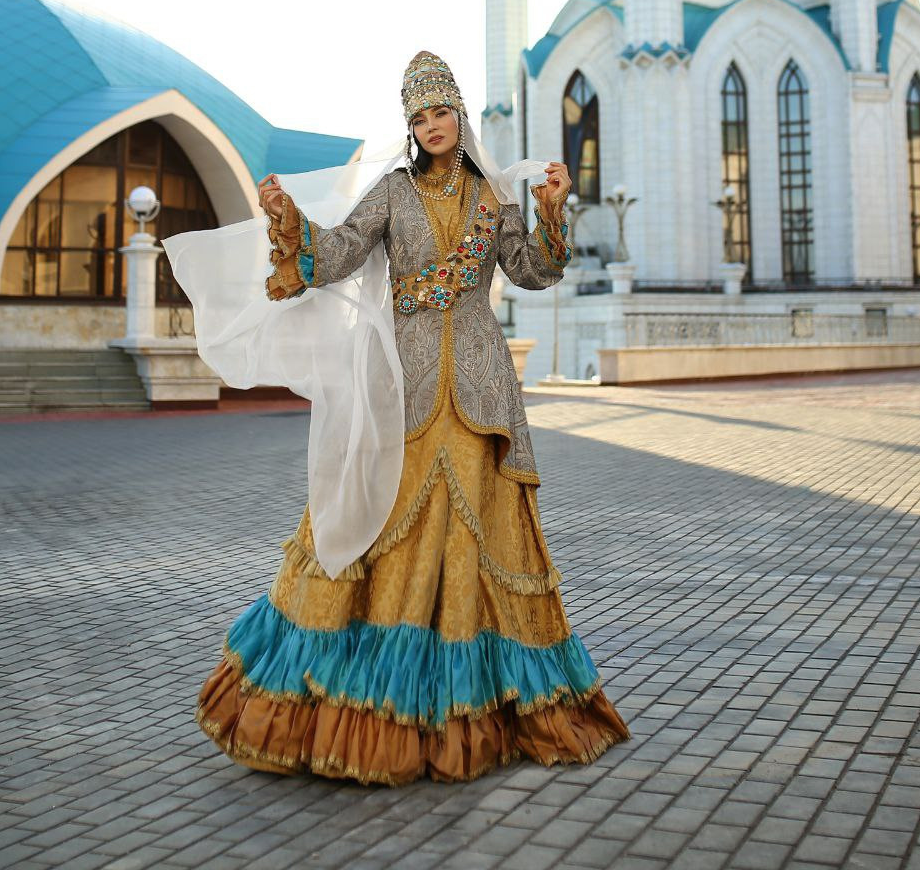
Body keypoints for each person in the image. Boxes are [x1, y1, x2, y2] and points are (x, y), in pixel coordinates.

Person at [177, 51, 629, 785]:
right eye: (417, 117)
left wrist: (550, 215)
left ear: (459, 115)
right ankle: (360, 703)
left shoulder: (494, 198)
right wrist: (293, 225)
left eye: (440, 111)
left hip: (481, 390)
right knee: (379, 521)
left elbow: (533, 271)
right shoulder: (392, 192)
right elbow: (339, 254)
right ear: (410, 128)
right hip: (404, 383)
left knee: (481, 540)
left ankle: (477, 707)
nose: (431, 125)